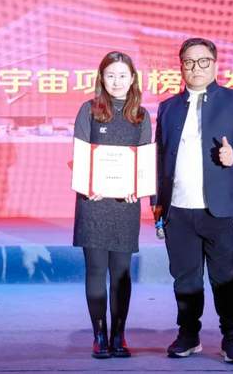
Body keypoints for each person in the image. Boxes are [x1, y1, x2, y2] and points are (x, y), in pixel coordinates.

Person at [152, 38, 233, 363]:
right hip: (178, 209)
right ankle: (188, 334)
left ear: (215, 65)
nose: (196, 68)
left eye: (203, 61)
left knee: (226, 276)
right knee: (184, 277)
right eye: (189, 62)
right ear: (181, 67)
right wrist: (157, 204)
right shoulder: (168, 107)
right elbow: (159, 158)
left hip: (221, 209)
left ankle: (231, 336)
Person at [72, 51, 152, 359]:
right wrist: (87, 185)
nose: (116, 81)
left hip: (125, 204)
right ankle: (99, 335)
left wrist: (138, 188)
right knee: (95, 269)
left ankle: (119, 335)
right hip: (93, 202)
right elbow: (80, 154)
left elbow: (144, 160)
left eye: (122, 75)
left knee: (121, 272)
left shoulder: (141, 116)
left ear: (132, 79)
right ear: (101, 79)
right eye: (110, 75)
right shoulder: (89, 110)